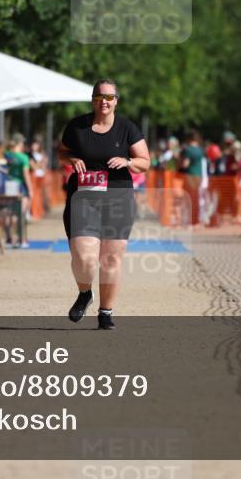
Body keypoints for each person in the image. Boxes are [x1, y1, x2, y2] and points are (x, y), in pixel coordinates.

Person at [58, 79, 150, 330]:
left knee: (110, 259)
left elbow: (145, 161)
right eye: (100, 97)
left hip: (117, 199)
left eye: (109, 97)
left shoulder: (127, 128)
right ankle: (85, 293)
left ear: (116, 101)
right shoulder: (77, 126)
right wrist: (72, 158)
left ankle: (106, 313)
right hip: (83, 199)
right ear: (93, 99)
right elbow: (61, 152)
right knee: (84, 258)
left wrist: (128, 162)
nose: (105, 101)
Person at [180, 131, 206, 225]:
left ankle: (189, 221)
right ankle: (196, 221)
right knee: (196, 198)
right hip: (199, 176)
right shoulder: (200, 150)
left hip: (190, 176)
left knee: (188, 198)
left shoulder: (188, 150)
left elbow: (185, 164)